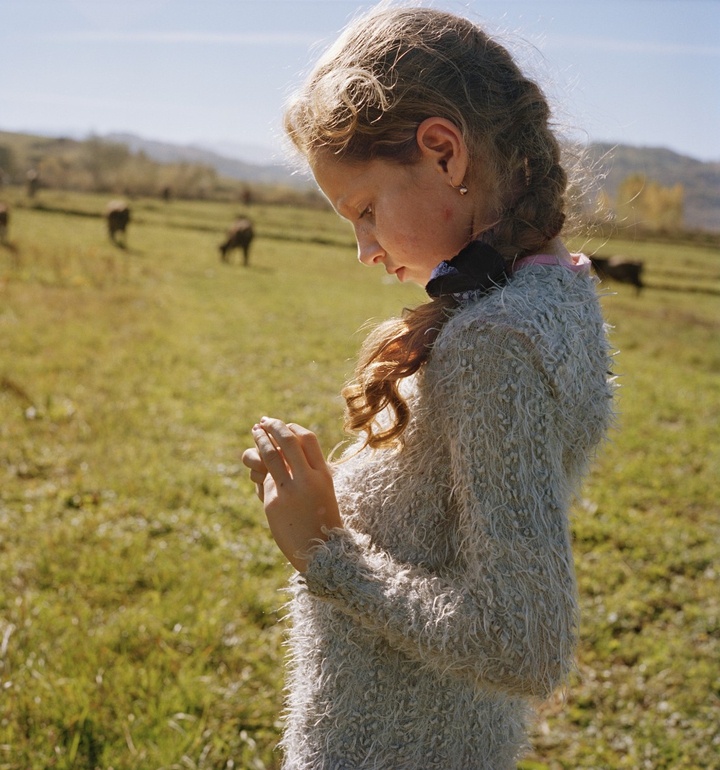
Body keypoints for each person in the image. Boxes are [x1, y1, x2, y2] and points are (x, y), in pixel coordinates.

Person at [242, 6, 613, 768]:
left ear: (444, 153)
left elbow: (525, 645)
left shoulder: (495, 345)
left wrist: (323, 551)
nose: (364, 249)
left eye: (367, 210)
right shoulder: (554, 290)